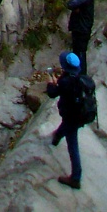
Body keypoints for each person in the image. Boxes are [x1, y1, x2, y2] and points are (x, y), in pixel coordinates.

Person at [47, 51, 96, 190]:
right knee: (66, 127)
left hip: (72, 117)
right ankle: (56, 137)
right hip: (81, 115)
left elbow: (52, 93)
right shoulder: (81, 79)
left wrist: (50, 83)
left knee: (72, 144)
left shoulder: (66, 82)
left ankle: (75, 178)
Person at [66, 0, 97, 74]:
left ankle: (79, 75)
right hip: (84, 28)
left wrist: (75, 7)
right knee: (80, 53)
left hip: (80, 28)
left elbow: (70, 4)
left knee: (79, 53)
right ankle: (79, 75)